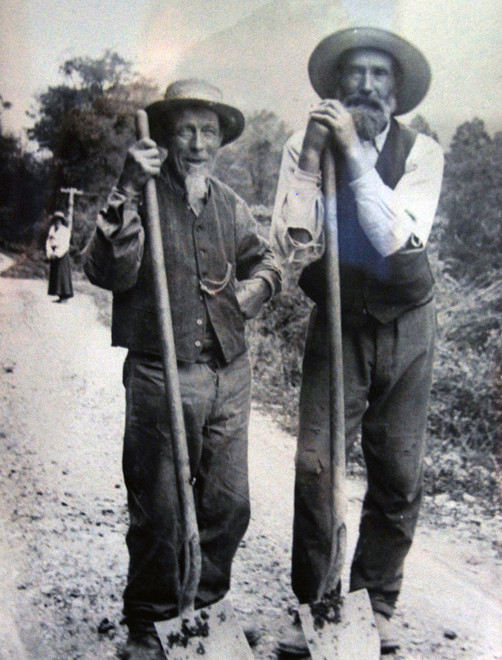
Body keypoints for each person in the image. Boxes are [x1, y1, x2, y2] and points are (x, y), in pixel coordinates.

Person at [83, 79, 281, 660]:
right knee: (161, 509)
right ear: (167, 137)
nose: (197, 143)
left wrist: (257, 290)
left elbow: (266, 257)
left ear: (220, 140)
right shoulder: (140, 195)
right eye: (186, 130)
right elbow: (105, 272)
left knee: (228, 504)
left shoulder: (228, 203)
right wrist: (126, 185)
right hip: (159, 372)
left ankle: (208, 613)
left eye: (208, 131)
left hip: (229, 375)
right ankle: (149, 623)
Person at [271, 28, 444, 655]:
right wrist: (316, 158)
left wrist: (353, 152)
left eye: (380, 75)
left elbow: (394, 237)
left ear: (396, 90)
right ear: (337, 86)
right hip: (338, 318)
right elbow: (291, 242)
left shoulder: (423, 152)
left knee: (397, 470)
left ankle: (376, 601)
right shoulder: (303, 143)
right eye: (356, 74)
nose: (367, 86)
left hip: (407, 320)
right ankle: (315, 603)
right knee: (316, 464)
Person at [46, 211, 73, 303]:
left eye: (59, 220)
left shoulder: (65, 231)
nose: (57, 222)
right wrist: (50, 253)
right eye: (56, 220)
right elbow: (48, 242)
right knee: (56, 275)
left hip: (62, 254)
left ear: (62, 221)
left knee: (62, 275)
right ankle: (59, 296)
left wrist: (57, 254)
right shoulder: (52, 229)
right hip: (53, 254)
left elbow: (65, 244)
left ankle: (65, 296)